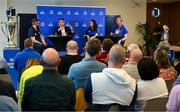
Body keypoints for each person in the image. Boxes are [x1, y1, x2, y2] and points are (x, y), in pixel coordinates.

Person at [84, 45, 137, 111]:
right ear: (124, 60)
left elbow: (87, 99)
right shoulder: (133, 84)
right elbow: (132, 105)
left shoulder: (92, 78)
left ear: (108, 57)